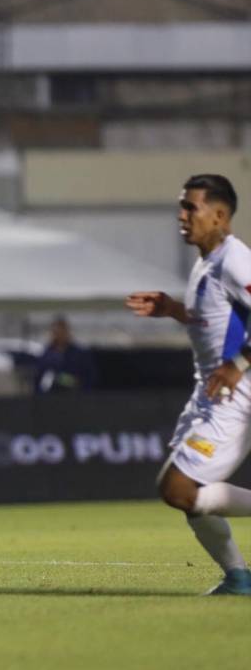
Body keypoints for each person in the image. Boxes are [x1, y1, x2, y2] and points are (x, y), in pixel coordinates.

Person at [126, 174, 251, 595]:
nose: (181, 216)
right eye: (181, 207)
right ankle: (238, 578)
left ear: (219, 215)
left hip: (237, 392)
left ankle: (238, 577)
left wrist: (239, 364)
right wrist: (172, 309)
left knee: (179, 488)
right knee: (186, 492)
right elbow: (213, 320)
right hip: (210, 392)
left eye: (190, 207)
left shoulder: (236, 260)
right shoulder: (206, 262)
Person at [33, 315, 97, 394]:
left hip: (75, 397)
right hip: (51, 398)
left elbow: (90, 377)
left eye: (62, 331)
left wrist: (75, 383)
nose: (59, 335)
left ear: (67, 331)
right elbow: (39, 377)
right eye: (56, 332)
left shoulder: (80, 353)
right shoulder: (46, 353)